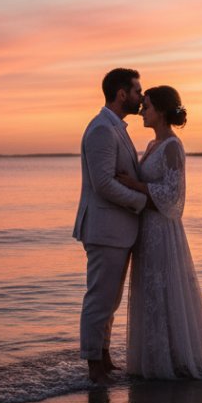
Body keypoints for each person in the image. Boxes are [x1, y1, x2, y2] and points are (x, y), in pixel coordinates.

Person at [116, 86, 202, 379]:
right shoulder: (153, 145)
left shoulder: (172, 146)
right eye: (143, 105)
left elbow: (173, 195)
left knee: (164, 289)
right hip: (147, 230)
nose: (142, 111)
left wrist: (134, 185)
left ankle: (174, 361)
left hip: (163, 230)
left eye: (147, 106)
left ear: (162, 111)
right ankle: (155, 358)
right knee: (151, 292)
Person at [73, 68, 147, 384]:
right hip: (105, 228)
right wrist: (140, 201)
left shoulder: (115, 127)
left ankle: (104, 358)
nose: (141, 97)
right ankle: (93, 367)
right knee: (99, 299)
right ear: (121, 94)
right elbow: (103, 183)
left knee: (110, 301)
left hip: (117, 230)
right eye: (136, 91)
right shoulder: (102, 129)